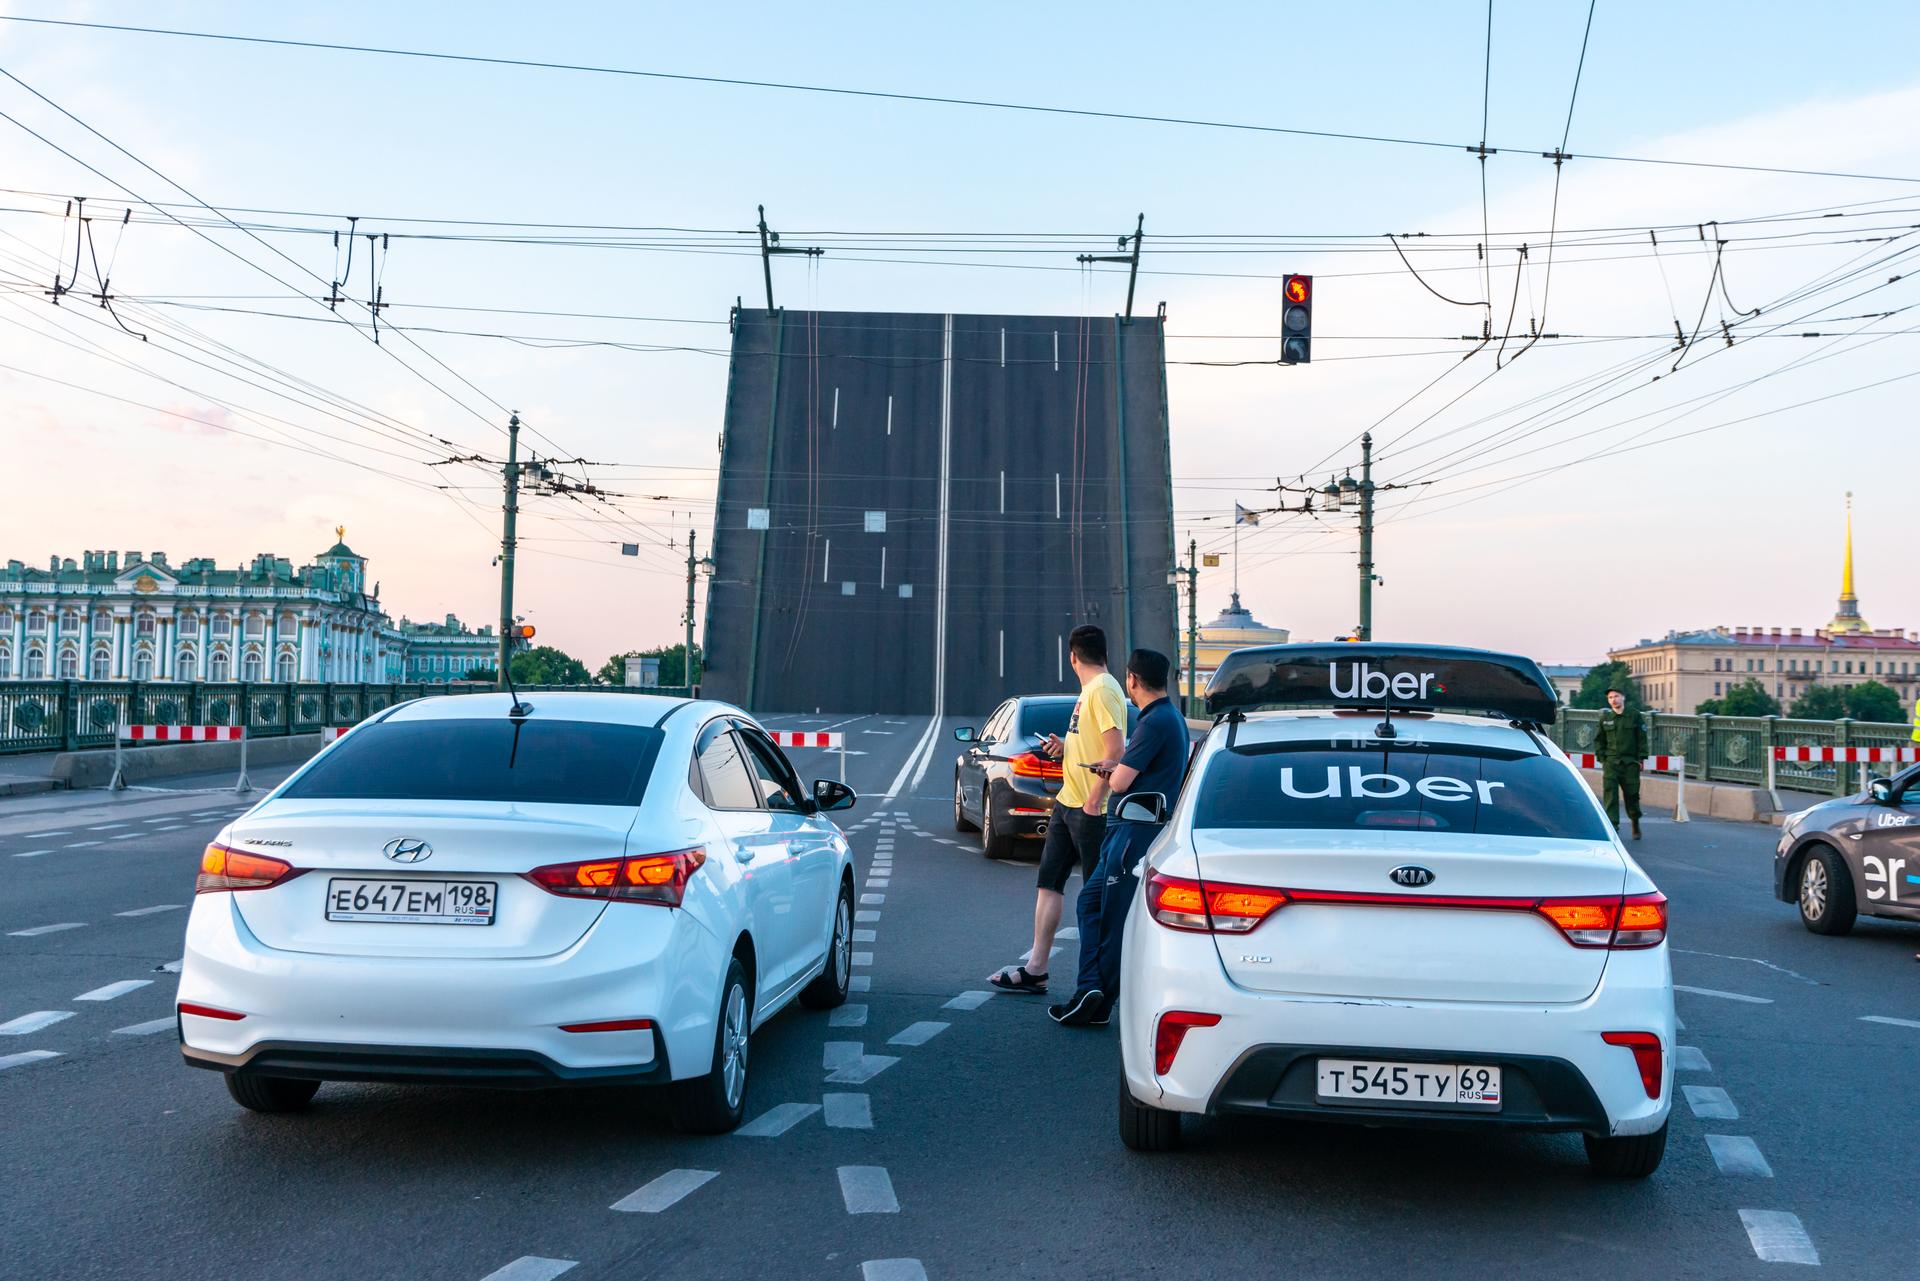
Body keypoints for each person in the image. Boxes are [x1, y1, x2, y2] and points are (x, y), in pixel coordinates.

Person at [1051, 648, 1190, 1025]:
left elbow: (1122, 781)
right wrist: (1117, 764)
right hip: (1135, 831)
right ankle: (1091, 991)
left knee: (1109, 917)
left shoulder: (1154, 722)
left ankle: (1095, 999)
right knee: (1092, 906)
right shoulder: (1171, 719)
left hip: (1132, 832)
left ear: (1131, 680)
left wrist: (1108, 772)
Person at [989, 625, 1127, 995]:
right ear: (1104, 653)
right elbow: (1094, 743)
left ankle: (1100, 981)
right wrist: (1065, 746)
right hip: (1068, 803)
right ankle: (1037, 969)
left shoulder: (1104, 690)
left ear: (1072, 657)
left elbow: (1115, 751)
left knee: (1097, 897)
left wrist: (1096, 798)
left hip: (1090, 808)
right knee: (1049, 883)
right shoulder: (1089, 692)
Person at [1595, 687, 1648, 839]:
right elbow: (1599, 740)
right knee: (1610, 795)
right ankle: (1613, 827)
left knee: (1632, 795)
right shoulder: (1605, 718)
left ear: (1623, 697)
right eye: (1610, 697)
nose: (1614, 700)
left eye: (1616, 696)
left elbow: (1642, 737)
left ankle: (1635, 820)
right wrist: (1603, 758)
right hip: (1611, 763)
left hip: (1630, 763)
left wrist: (1641, 758)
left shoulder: (1634, 716)